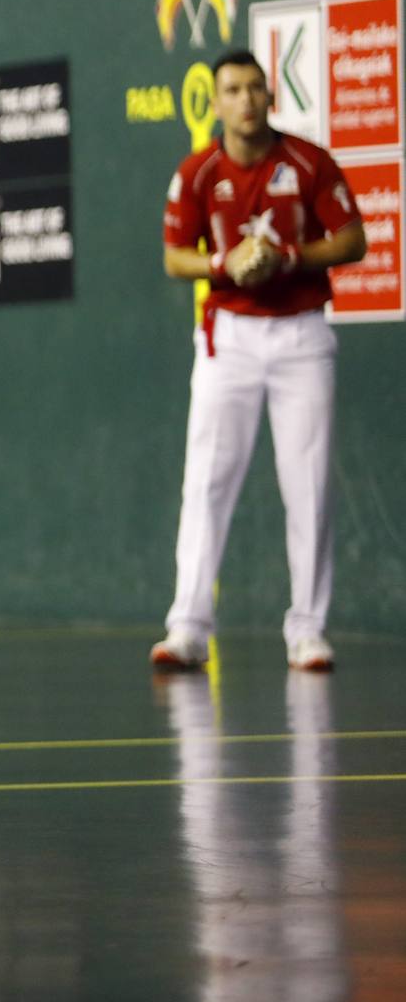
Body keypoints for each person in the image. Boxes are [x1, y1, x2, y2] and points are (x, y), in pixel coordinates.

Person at [152, 49, 365, 673]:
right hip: (229, 344)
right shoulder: (196, 173)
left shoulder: (308, 162)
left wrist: (287, 259)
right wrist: (226, 264)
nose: (246, 100)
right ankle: (188, 628)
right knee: (206, 485)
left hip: (301, 339)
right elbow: (173, 257)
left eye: (255, 88)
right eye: (233, 90)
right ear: (215, 103)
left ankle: (308, 630)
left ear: (270, 97)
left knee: (309, 487)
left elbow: (354, 240)